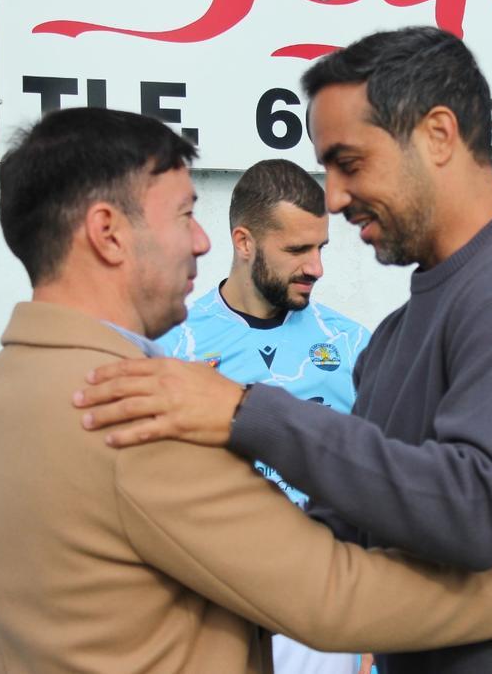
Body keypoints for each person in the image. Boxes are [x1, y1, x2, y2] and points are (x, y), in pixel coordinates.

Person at [0, 106, 492, 673]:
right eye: (183, 213)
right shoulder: (130, 411)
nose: (202, 242)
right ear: (107, 233)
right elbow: (330, 593)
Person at [156, 158, 371, 674]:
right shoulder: (173, 344)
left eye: (320, 248)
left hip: (324, 608)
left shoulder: (353, 344)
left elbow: (379, 480)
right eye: (297, 250)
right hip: (213, 611)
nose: (315, 266)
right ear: (244, 242)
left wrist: (368, 634)